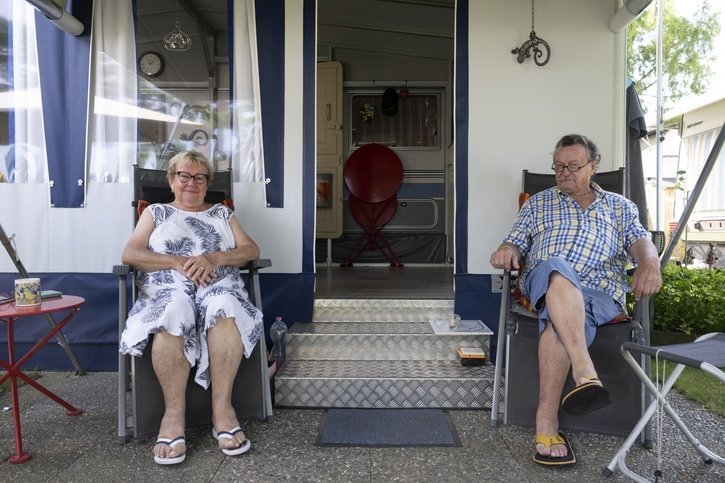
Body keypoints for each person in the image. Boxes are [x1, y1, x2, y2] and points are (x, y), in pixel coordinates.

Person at [490, 134, 662, 467]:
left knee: (558, 323)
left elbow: (642, 242)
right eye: (558, 166)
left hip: (601, 293)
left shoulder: (620, 206)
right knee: (557, 269)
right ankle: (585, 371)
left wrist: (650, 262)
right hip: (546, 280)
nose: (564, 172)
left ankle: (546, 423)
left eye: (573, 166)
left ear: (592, 167)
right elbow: (513, 243)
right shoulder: (538, 203)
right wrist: (505, 251)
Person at [119, 150, 264, 465]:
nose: (191, 183)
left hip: (218, 284)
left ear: (207, 183)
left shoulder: (222, 214)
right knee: (175, 309)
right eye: (184, 176)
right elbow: (130, 253)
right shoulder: (156, 213)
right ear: (172, 180)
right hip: (168, 287)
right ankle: (173, 417)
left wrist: (214, 258)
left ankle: (222, 411)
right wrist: (177, 262)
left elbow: (251, 249)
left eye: (199, 177)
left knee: (225, 305)